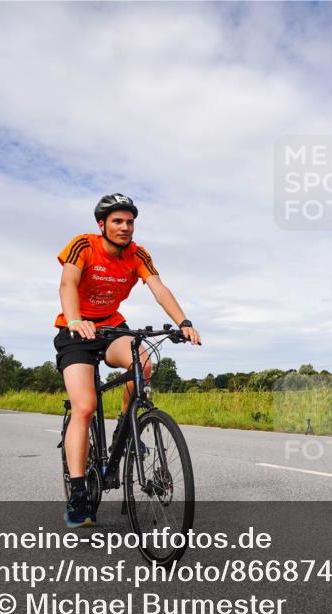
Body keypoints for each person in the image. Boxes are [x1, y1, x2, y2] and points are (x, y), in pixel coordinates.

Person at [53, 193, 201, 528]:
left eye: (130, 222)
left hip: (110, 328)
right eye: (117, 221)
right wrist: (76, 321)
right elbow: (68, 283)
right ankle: (78, 493)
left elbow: (159, 288)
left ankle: (127, 427)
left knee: (143, 363)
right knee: (85, 406)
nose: (125, 227)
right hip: (75, 332)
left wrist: (184, 322)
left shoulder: (138, 254)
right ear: (102, 224)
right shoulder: (83, 245)